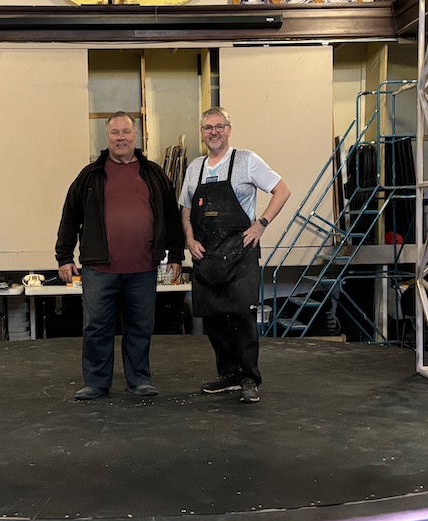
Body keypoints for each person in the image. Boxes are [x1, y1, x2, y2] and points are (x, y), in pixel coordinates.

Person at [56, 112, 183, 400]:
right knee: (96, 327)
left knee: (140, 327)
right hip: (99, 269)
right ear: (107, 137)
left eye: (126, 132)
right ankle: (97, 383)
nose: (121, 138)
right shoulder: (90, 175)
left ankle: (139, 380)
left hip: (143, 267)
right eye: (115, 133)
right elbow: (69, 216)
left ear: (135, 135)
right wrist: (64, 256)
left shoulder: (152, 173)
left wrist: (176, 254)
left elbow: (171, 217)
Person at [180, 106, 291, 404]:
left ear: (229, 129)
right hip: (207, 254)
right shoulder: (195, 168)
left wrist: (261, 224)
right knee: (214, 319)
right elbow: (187, 209)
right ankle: (227, 374)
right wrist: (189, 239)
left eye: (220, 126)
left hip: (240, 252)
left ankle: (248, 378)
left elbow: (282, 190)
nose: (214, 132)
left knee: (242, 317)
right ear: (202, 133)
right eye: (208, 127)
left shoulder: (246, 161)